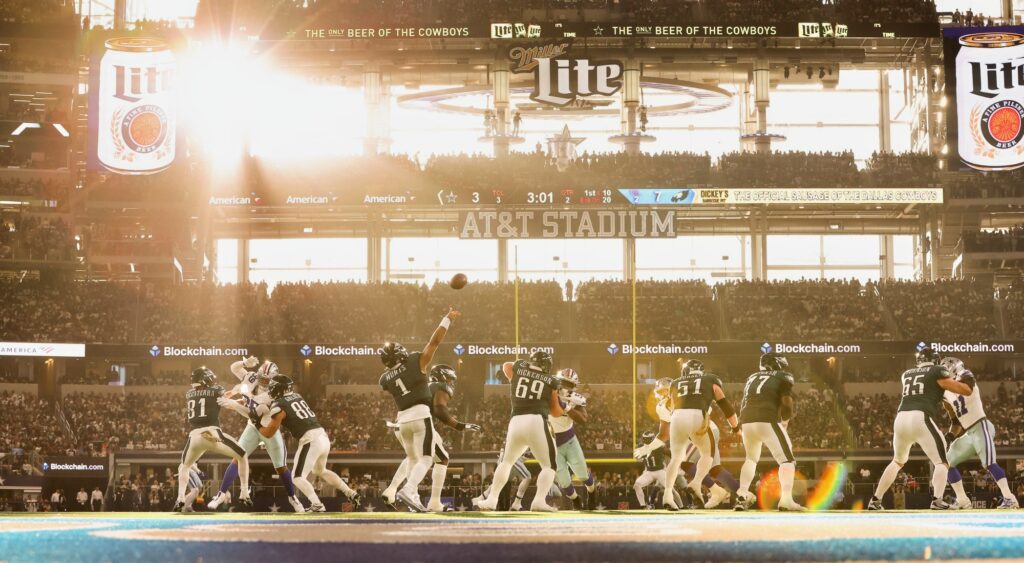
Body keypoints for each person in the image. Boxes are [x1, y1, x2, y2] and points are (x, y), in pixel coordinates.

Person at [868, 347, 973, 510]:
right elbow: (965, 390)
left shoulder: (907, 374)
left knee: (897, 461)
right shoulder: (937, 371)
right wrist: (965, 375)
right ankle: (937, 500)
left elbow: (926, 386)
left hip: (900, 418)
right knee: (941, 463)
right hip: (920, 417)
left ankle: (875, 500)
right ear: (936, 360)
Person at [378, 307, 460, 512]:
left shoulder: (384, 378)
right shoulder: (416, 361)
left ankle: (408, 494)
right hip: (420, 415)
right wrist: (447, 319)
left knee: (412, 459)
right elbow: (434, 342)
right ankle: (409, 489)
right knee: (426, 458)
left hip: (401, 420)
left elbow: (392, 381)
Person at [209, 359, 303, 513]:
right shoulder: (254, 378)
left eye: (267, 380)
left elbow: (252, 410)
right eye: (262, 378)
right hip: (252, 427)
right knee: (237, 457)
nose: (264, 382)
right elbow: (234, 368)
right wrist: (245, 363)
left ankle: (292, 497)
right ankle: (221, 494)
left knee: (280, 466)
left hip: (268, 429)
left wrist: (235, 401)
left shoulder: (275, 394)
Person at [258, 374, 362, 512]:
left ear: (279, 389)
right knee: (320, 471)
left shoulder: (279, 406)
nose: (271, 390)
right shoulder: (298, 396)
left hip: (310, 439)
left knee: (297, 477)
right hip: (323, 437)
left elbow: (269, 433)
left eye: (273, 388)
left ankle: (317, 504)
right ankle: (351, 493)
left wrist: (256, 422)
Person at [477, 351, 563, 512]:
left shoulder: (519, 367)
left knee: (507, 462)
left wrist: (519, 377)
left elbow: (506, 366)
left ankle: (492, 499)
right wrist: (564, 402)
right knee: (549, 465)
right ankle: (538, 501)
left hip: (516, 421)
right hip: (537, 420)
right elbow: (556, 411)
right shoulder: (551, 381)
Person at [939, 357, 1019, 509]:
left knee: (989, 463)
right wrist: (949, 437)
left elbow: (967, 388)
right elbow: (956, 423)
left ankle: (1010, 498)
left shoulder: (965, 375)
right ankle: (962, 500)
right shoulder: (946, 395)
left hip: (981, 425)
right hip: (969, 432)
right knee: (947, 463)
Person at [661, 359, 739, 510]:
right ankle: (698, 484)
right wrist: (736, 428)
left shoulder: (676, 382)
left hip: (676, 418)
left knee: (677, 459)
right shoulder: (710, 379)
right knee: (707, 456)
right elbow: (724, 404)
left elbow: (670, 407)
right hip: (698, 417)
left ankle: (668, 495)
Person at [735, 353, 804, 511]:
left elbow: (744, 400)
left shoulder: (752, 377)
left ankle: (743, 494)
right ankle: (786, 500)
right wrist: (785, 420)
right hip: (766, 418)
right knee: (787, 460)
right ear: (777, 364)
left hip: (746, 420)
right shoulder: (783, 376)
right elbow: (787, 401)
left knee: (751, 459)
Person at [173, 367, 248, 513]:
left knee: (184, 466)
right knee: (242, 455)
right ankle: (244, 493)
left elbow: (209, 397)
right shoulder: (216, 390)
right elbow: (223, 399)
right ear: (205, 379)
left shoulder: (189, 394)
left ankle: (180, 498)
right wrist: (239, 395)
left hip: (194, 436)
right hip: (211, 433)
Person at [633, 430, 683, 509]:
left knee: (670, 489)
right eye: (644, 439)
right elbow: (637, 458)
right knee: (637, 485)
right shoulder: (640, 447)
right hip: (649, 472)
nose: (646, 441)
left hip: (660, 471)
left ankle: (681, 506)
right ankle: (643, 506)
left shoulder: (659, 446)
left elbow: (671, 454)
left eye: (647, 439)